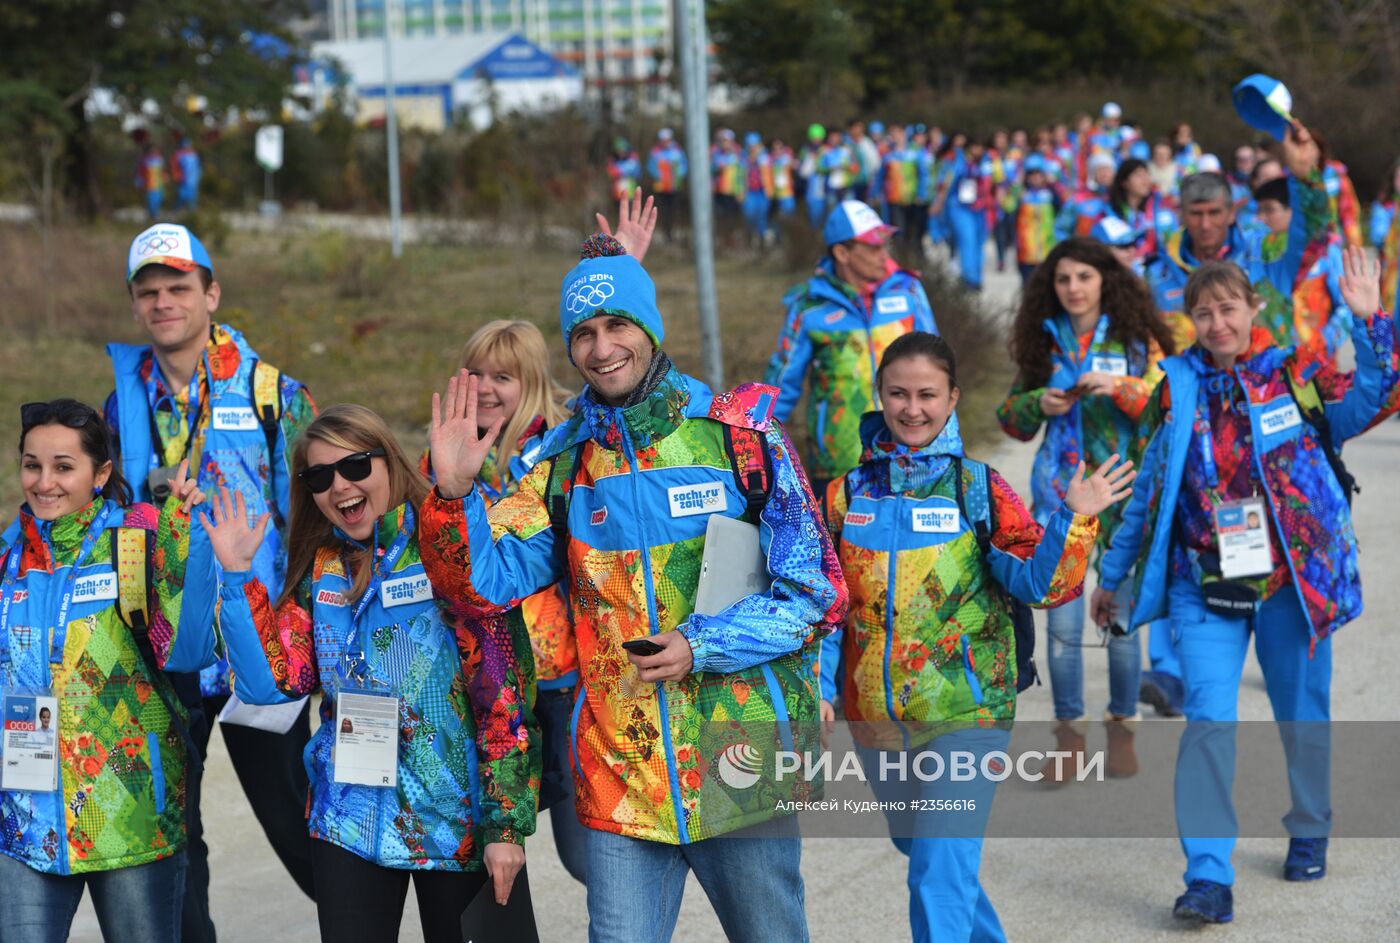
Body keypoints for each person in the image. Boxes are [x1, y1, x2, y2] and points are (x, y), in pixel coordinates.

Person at [416, 233, 848, 943]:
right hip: (620, 773)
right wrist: (454, 492)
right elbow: (483, 586)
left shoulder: (740, 439)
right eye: (582, 332)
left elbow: (816, 594)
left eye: (617, 324)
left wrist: (700, 644)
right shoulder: (561, 466)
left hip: (737, 762)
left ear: (648, 327)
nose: (600, 346)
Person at [1092, 251, 1397, 924]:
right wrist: (1112, 577)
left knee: (1301, 712)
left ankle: (1310, 821)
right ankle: (1207, 876)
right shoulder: (1175, 386)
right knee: (1208, 720)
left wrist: (1369, 315)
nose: (1216, 322)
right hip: (1204, 581)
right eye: (1202, 312)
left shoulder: (1295, 373)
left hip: (1293, 581)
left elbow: (1378, 396)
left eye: (1227, 308)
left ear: (1253, 308)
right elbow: (1147, 493)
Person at [821, 332, 1134, 943]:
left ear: (953, 397)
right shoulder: (844, 495)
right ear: (880, 396)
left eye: (928, 395)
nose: (913, 408)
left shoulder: (978, 490)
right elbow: (827, 608)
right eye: (899, 394)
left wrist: (1073, 520)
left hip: (968, 710)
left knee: (937, 876)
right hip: (874, 719)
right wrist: (821, 686)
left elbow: (1041, 586)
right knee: (932, 859)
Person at [202, 405, 538, 942]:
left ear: (389, 461)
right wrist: (240, 581)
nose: (339, 486)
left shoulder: (445, 544)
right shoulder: (322, 565)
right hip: (348, 817)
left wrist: (506, 824)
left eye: (355, 465)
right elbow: (274, 683)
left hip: (458, 820)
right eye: (319, 476)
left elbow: (501, 693)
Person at [105, 223, 318, 939]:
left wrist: (317, 633)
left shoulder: (272, 392)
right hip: (164, 652)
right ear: (135, 304)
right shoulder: (118, 406)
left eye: (178, 287)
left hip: (256, 641)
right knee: (175, 839)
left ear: (211, 292)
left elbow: (316, 518)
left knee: (300, 822)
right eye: (149, 291)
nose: (164, 302)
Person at [0, 401, 215, 943]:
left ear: (99, 474)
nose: (44, 482)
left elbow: (188, 653)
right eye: (32, 465)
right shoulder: (4, 559)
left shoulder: (134, 543)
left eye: (63, 466)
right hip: (24, 817)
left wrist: (191, 547)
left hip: (130, 812)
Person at [998, 238, 1176, 780]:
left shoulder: (1136, 337)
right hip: (1059, 495)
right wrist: (1039, 403)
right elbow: (1011, 419)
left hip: (1122, 492)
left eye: (1084, 277)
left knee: (1119, 625)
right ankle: (1069, 739)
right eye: (1063, 280)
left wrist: (1117, 386)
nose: (1073, 288)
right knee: (1062, 628)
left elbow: (1164, 402)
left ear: (1105, 281)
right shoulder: (1043, 341)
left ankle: (1122, 728)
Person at [418, 319, 587, 884]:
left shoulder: (560, 450)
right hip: (482, 684)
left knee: (585, 852)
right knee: (485, 847)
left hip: (559, 682)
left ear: (532, 383)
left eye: (504, 377)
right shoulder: (442, 460)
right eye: (477, 374)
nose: (487, 388)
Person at [767, 200, 938, 496]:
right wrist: (757, 446)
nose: (884, 255)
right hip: (838, 464)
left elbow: (939, 371)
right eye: (873, 247)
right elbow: (781, 387)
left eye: (885, 244)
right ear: (842, 252)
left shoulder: (908, 292)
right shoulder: (810, 307)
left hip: (912, 455)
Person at [1145, 123, 1329, 357]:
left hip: (1267, 388)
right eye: (1195, 214)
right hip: (1193, 390)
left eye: (1214, 213)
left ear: (1231, 212)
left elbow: (1314, 237)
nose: (1205, 225)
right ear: (1181, 214)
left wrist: (1307, 179)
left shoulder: (1266, 251)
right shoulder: (1158, 273)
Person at [1251, 176, 1353, 359]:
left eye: (1269, 210)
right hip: (1265, 361)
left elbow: (1348, 306)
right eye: (1259, 210)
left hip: (1315, 362)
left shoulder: (1325, 250)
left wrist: (1322, 344)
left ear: (1295, 211)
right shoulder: (1255, 251)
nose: (1261, 218)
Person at [931, 137, 995, 291]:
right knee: (968, 241)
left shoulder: (988, 163)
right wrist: (939, 203)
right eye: (974, 147)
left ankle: (977, 278)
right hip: (961, 208)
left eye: (980, 147)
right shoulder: (957, 163)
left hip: (981, 209)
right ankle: (969, 279)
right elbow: (945, 185)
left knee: (979, 244)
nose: (977, 151)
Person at [1106, 158, 1178, 263]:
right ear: (1124, 182)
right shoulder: (1109, 213)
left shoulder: (1163, 212)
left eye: (1146, 174)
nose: (1145, 180)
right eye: (1138, 175)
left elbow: (1172, 247)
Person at [877, 124, 932, 256]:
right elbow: (880, 177)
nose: (897, 137)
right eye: (894, 134)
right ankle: (901, 259)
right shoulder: (888, 156)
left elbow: (923, 175)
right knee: (898, 232)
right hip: (895, 199)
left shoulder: (915, 155)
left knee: (913, 233)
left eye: (899, 134)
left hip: (913, 199)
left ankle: (914, 259)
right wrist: (877, 194)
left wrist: (921, 194)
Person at [1012, 153, 1062, 282]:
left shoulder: (1049, 194)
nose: (1035, 178)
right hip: (1026, 251)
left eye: (1038, 174)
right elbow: (1008, 206)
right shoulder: (1022, 195)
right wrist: (1017, 184)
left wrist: (1053, 183)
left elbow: (1064, 205)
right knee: (1028, 286)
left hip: (1047, 250)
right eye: (1031, 175)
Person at [1054, 153, 1115, 242]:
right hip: (1086, 251)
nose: (1104, 174)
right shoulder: (1079, 199)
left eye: (1107, 169)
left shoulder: (1119, 198)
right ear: (1092, 174)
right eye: (1100, 170)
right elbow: (1061, 229)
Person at [645, 128, 686, 242]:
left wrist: (678, 175)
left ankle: (675, 233)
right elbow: (650, 167)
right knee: (663, 211)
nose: (665, 142)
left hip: (674, 186)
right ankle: (666, 234)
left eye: (667, 140)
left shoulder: (678, 151)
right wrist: (659, 175)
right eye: (663, 140)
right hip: (661, 187)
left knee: (675, 210)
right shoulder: (655, 152)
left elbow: (684, 166)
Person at [740, 131, 774, 244]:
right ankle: (751, 235)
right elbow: (739, 176)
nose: (752, 148)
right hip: (749, 192)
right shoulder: (743, 158)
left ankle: (762, 237)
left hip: (763, 192)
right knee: (749, 213)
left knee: (762, 214)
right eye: (750, 145)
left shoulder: (765, 158)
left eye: (754, 145)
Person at [798, 123, 829, 229]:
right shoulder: (805, 151)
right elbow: (803, 172)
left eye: (818, 138)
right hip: (812, 186)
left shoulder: (826, 150)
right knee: (814, 212)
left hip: (826, 185)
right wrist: (810, 159)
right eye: (814, 138)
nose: (816, 140)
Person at [135, 142, 165, 220]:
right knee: (151, 202)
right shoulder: (144, 160)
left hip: (159, 185)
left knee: (158, 200)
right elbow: (140, 172)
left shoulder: (160, 159)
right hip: (149, 185)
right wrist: (139, 182)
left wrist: (164, 177)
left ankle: (155, 216)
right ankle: (152, 217)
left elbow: (162, 171)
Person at [171, 137, 201, 213]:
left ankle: (191, 212)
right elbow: (174, 166)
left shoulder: (194, 154)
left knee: (193, 196)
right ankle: (178, 210)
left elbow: (197, 166)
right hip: (183, 179)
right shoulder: (178, 154)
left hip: (193, 179)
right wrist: (177, 176)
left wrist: (198, 174)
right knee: (181, 195)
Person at [607, 138, 640, 204]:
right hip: (617, 192)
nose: (621, 153)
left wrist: (621, 172)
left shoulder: (632, 158)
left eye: (623, 150)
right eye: (619, 151)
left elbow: (637, 172)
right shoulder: (612, 161)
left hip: (630, 191)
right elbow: (611, 173)